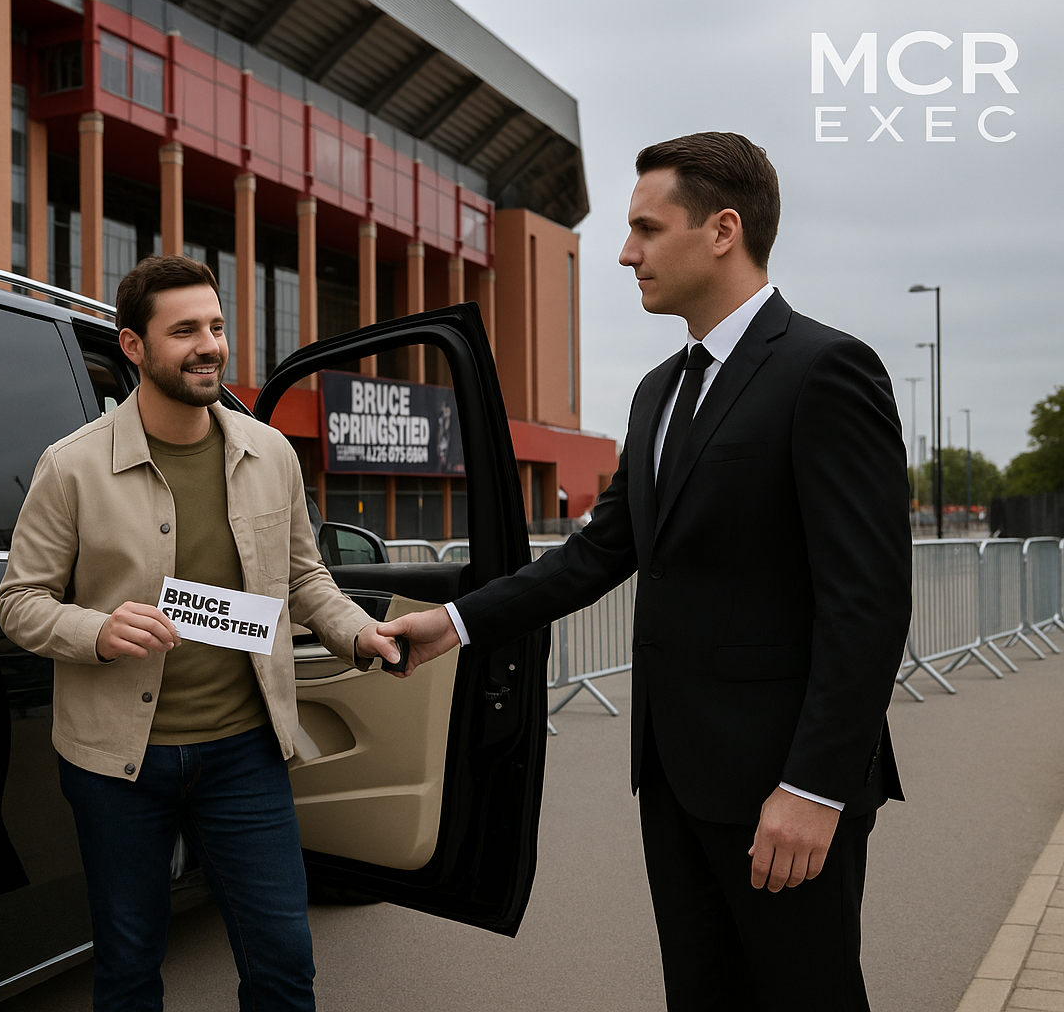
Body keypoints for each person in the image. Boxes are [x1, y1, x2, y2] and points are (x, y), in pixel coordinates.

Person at [379, 132, 911, 1011]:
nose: (625, 252)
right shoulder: (658, 390)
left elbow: (868, 602)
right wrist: (457, 621)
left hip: (784, 786)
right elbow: (600, 551)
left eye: (645, 228)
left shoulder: (826, 370)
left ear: (722, 230)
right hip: (673, 778)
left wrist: (813, 785)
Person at [0, 254, 401, 1012]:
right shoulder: (72, 467)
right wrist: (97, 628)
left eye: (215, 326)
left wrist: (358, 633)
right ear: (134, 347)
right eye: (184, 331)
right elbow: (19, 603)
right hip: (117, 763)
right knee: (127, 965)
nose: (208, 344)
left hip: (245, 751)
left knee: (283, 964)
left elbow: (305, 579)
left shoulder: (270, 454)